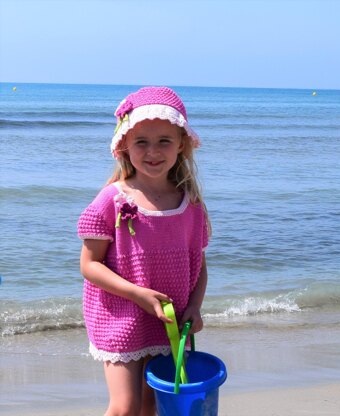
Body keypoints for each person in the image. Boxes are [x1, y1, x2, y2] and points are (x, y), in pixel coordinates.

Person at [77, 86, 210, 416]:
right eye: (141, 142)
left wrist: (194, 307)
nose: (153, 151)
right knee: (125, 407)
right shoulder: (112, 200)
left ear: (181, 144)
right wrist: (136, 294)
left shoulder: (190, 205)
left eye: (164, 140)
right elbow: (89, 264)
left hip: (167, 320)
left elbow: (199, 263)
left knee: (152, 406)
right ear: (124, 146)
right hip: (120, 316)